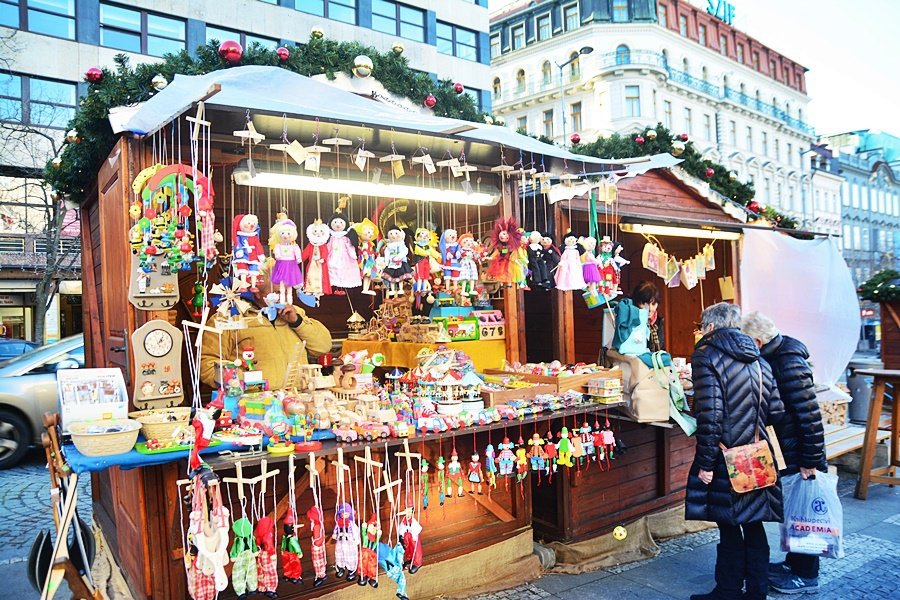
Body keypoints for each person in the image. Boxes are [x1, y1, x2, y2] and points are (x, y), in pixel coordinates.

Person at [686, 302, 784, 600]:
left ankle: (727, 590)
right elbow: (776, 411)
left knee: (728, 525)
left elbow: (711, 415)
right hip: (755, 455)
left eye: (703, 327)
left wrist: (704, 465)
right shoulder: (760, 359)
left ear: (711, 327)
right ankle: (757, 591)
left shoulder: (706, 356)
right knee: (754, 524)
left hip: (725, 458)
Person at [741, 311, 826, 595]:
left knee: (804, 514)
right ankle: (794, 563)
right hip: (792, 449)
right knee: (794, 512)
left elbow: (809, 416)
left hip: (801, 454)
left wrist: (810, 461)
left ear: (757, 340)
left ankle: (806, 575)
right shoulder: (780, 355)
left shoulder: (788, 361)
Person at [199, 283, 333, 389]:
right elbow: (207, 364)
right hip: (253, 405)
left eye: (286, 291)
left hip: (297, 400)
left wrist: (297, 322)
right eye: (276, 292)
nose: (282, 297)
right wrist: (240, 382)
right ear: (256, 291)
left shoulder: (295, 313)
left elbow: (323, 346)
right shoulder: (228, 318)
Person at [631, 281, 665, 352]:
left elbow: (661, 348)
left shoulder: (658, 322)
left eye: (653, 304)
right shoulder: (632, 322)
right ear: (636, 303)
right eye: (644, 304)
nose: (650, 309)